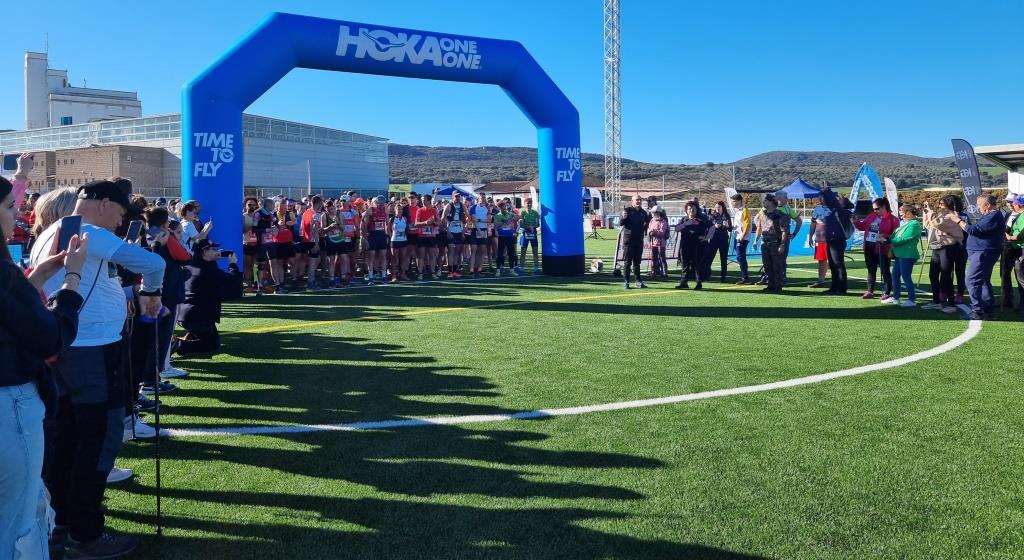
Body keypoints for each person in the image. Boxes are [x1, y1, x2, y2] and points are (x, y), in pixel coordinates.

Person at [30, 180, 166, 559]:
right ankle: (86, 533)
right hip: (92, 352)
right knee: (97, 440)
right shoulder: (87, 230)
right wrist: (150, 293)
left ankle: (61, 524)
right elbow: (153, 263)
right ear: (104, 204)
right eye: (121, 215)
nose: (121, 223)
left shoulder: (52, 232)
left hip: (69, 349)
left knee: (68, 438)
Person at [0, 176, 86, 560]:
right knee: (18, 523)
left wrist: (38, 277)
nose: (16, 212)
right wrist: (72, 280)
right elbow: (51, 337)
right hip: (10, 403)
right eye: (7, 207)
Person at [176, 240, 243, 354]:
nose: (216, 251)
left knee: (213, 339)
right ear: (204, 252)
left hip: (184, 314)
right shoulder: (208, 270)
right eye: (212, 249)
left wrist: (213, 259)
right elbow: (232, 280)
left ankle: (190, 335)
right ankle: (178, 345)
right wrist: (232, 264)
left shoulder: (192, 264)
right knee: (212, 345)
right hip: (196, 317)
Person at [949, 194, 1006, 320]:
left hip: (983, 252)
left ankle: (977, 310)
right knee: (983, 281)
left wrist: (958, 220)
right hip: (981, 252)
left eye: (979, 205)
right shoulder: (991, 216)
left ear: (988, 205)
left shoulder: (993, 216)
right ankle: (988, 310)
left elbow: (974, 230)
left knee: (972, 280)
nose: (978, 207)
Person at [922, 196, 966, 313]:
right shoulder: (940, 214)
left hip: (948, 248)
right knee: (933, 274)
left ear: (950, 204)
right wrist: (926, 213)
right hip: (937, 248)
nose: (940, 205)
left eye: (942, 203)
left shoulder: (952, 215)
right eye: (940, 203)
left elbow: (938, 224)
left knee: (946, 276)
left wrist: (931, 213)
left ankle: (951, 304)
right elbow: (928, 225)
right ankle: (936, 301)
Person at [854, 198, 900, 299]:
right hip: (869, 246)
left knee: (885, 270)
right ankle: (870, 291)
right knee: (871, 270)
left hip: (883, 248)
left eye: (877, 208)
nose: (875, 211)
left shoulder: (893, 219)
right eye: (874, 209)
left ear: (884, 207)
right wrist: (856, 222)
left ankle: (887, 293)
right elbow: (862, 227)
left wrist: (885, 236)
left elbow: (896, 235)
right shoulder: (871, 216)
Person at [885, 204, 923, 308]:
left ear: (909, 213)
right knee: (895, 276)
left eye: (903, 214)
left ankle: (912, 299)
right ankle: (896, 297)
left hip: (907, 254)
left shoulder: (914, 224)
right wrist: (888, 240)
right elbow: (897, 236)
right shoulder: (907, 223)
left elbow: (905, 238)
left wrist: (888, 241)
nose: (902, 217)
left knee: (906, 277)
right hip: (900, 254)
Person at [753, 194, 789, 293]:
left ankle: (778, 286)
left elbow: (784, 231)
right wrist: (756, 240)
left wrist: (782, 244)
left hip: (775, 243)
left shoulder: (780, 215)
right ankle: (770, 285)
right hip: (765, 243)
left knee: (777, 266)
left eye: (765, 201)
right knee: (767, 266)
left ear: (771, 202)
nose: (764, 203)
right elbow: (759, 228)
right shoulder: (763, 214)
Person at [821, 188, 853, 295]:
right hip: (831, 240)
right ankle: (834, 287)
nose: (837, 200)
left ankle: (842, 289)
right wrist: (824, 193)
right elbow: (830, 202)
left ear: (843, 204)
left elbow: (833, 202)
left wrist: (828, 191)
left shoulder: (843, 212)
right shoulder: (836, 211)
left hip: (837, 241)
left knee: (838, 264)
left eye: (839, 200)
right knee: (832, 264)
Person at [674, 201, 711, 290]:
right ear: (686, 210)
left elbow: (712, 226)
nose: (691, 210)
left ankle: (699, 283)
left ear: (697, 210)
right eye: (689, 209)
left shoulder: (702, 218)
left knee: (697, 264)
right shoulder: (684, 219)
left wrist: (708, 237)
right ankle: (684, 282)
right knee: (685, 264)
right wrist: (686, 224)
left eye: (693, 209)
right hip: (685, 245)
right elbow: (676, 229)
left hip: (698, 245)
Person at [620, 195, 650, 289]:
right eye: (636, 200)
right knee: (627, 262)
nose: (638, 202)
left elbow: (646, 225)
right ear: (632, 201)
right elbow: (620, 223)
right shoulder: (627, 211)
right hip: (629, 241)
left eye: (640, 200)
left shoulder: (643, 212)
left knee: (637, 262)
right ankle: (626, 281)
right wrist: (623, 217)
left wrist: (647, 230)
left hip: (639, 240)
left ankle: (638, 281)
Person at [1000, 193, 1023, 310]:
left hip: (1018, 248)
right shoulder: (1007, 214)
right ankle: (1006, 301)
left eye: (1011, 202)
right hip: (1007, 248)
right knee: (1004, 274)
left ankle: (1021, 303)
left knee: (1020, 276)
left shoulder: (1021, 214)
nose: (1009, 204)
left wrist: (1008, 236)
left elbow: (1018, 235)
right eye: (1007, 202)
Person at [703, 201, 732, 283]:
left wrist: (726, 225)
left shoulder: (726, 216)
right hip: (714, 239)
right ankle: (706, 275)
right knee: (709, 257)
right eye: (716, 207)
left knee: (723, 258)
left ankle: (723, 277)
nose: (717, 209)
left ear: (722, 208)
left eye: (719, 207)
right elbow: (708, 226)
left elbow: (730, 228)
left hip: (723, 240)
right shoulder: (712, 216)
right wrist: (714, 226)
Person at [300, 196, 325, 290]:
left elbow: (302, 228)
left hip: (306, 239)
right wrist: (316, 243)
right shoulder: (316, 214)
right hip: (312, 240)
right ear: (319, 204)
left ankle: (312, 279)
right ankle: (311, 282)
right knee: (313, 262)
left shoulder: (306, 212)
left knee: (316, 260)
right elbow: (314, 229)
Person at [363, 196, 389, 284]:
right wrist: (365, 238)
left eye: (382, 204)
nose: (381, 206)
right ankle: (371, 277)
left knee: (383, 255)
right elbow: (364, 226)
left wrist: (387, 236)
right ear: (376, 203)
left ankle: (384, 276)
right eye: (379, 204)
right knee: (371, 256)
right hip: (372, 235)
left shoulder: (385, 209)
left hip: (382, 235)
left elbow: (387, 224)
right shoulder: (370, 210)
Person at [273, 198, 297, 292]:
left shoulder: (289, 213)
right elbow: (271, 228)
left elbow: (295, 221)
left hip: (288, 241)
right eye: (281, 208)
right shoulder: (273, 215)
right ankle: (281, 283)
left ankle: (294, 280)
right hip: (277, 242)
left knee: (292, 261)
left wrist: (292, 222)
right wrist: (278, 225)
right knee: (279, 262)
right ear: (277, 207)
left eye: (284, 207)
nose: (283, 209)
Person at [807, 200, 832, 288]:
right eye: (820, 197)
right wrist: (810, 236)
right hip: (819, 239)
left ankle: (838, 281)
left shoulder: (834, 208)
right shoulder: (817, 209)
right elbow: (813, 224)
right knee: (821, 260)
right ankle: (821, 281)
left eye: (822, 197)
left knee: (834, 261)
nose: (821, 199)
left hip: (831, 239)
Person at [414, 194, 440, 279]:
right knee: (421, 255)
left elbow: (438, 222)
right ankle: (420, 273)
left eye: (424, 200)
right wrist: (425, 223)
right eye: (421, 200)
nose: (422, 201)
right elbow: (416, 223)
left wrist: (434, 223)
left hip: (432, 236)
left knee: (432, 255)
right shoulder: (420, 210)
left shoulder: (434, 210)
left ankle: (432, 272)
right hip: (422, 236)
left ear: (429, 200)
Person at [441, 193, 467, 278]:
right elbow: (443, 218)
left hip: (459, 231)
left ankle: (455, 271)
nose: (458, 198)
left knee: (457, 252)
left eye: (459, 196)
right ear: (452, 197)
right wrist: (447, 231)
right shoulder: (449, 205)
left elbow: (469, 217)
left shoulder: (462, 205)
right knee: (451, 251)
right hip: (451, 231)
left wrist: (464, 230)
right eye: (456, 196)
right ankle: (450, 271)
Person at [730, 194, 752, 285]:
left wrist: (743, 236)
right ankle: (744, 276)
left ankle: (745, 277)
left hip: (743, 237)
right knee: (740, 257)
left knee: (740, 256)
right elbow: (738, 224)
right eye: (732, 201)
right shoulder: (737, 211)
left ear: (740, 201)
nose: (733, 203)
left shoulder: (745, 210)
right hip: (737, 236)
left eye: (734, 201)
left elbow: (747, 224)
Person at [1007, 195, 1024, 315]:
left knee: (1022, 279)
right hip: (1016, 249)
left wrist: (1008, 237)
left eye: (1014, 203)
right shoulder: (1018, 215)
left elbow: (1020, 236)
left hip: (1021, 249)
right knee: (1020, 279)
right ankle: (1021, 303)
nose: (1013, 205)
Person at [468, 194, 491, 278]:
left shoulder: (487, 208)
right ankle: (471, 270)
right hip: (475, 230)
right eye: (481, 198)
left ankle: (479, 269)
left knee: (481, 251)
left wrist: (480, 220)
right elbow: (474, 220)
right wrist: (479, 229)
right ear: (478, 199)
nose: (483, 199)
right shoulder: (473, 207)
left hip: (484, 230)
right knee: (473, 251)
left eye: (484, 198)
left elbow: (489, 220)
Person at [518, 197, 541, 274]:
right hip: (525, 233)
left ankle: (536, 268)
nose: (529, 204)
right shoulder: (522, 212)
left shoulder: (535, 213)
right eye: (527, 203)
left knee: (535, 251)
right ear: (524, 204)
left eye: (530, 203)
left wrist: (533, 227)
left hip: (533, 233)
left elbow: (538, 224)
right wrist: (528, 227)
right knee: (523, 251)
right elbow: (521, 224)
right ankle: (521, 267)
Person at [389, 201, 411, 282]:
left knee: (403, 258)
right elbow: (387, 229)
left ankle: (402, 274)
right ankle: (394, 275)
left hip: (403, 240)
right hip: (394, 241)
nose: (400, 211)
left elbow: (407, 229)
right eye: (398, 209)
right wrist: (391, 237)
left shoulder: (405, 219)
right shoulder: (392, 219)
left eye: (401, 209)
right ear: (395, 210)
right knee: (394, 259)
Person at [647, 209, 669, 278]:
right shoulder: (651, 220)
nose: (652, 213)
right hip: (653, 242)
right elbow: (648, 230)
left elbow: (662, 233)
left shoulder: (663, 221)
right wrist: (650, 233)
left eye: (653, 212)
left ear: (658, 213)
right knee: (653, 258)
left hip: (661, 243)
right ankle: (653, 272)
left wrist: (653, 232)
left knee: (662, 258)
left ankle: (665, 273)